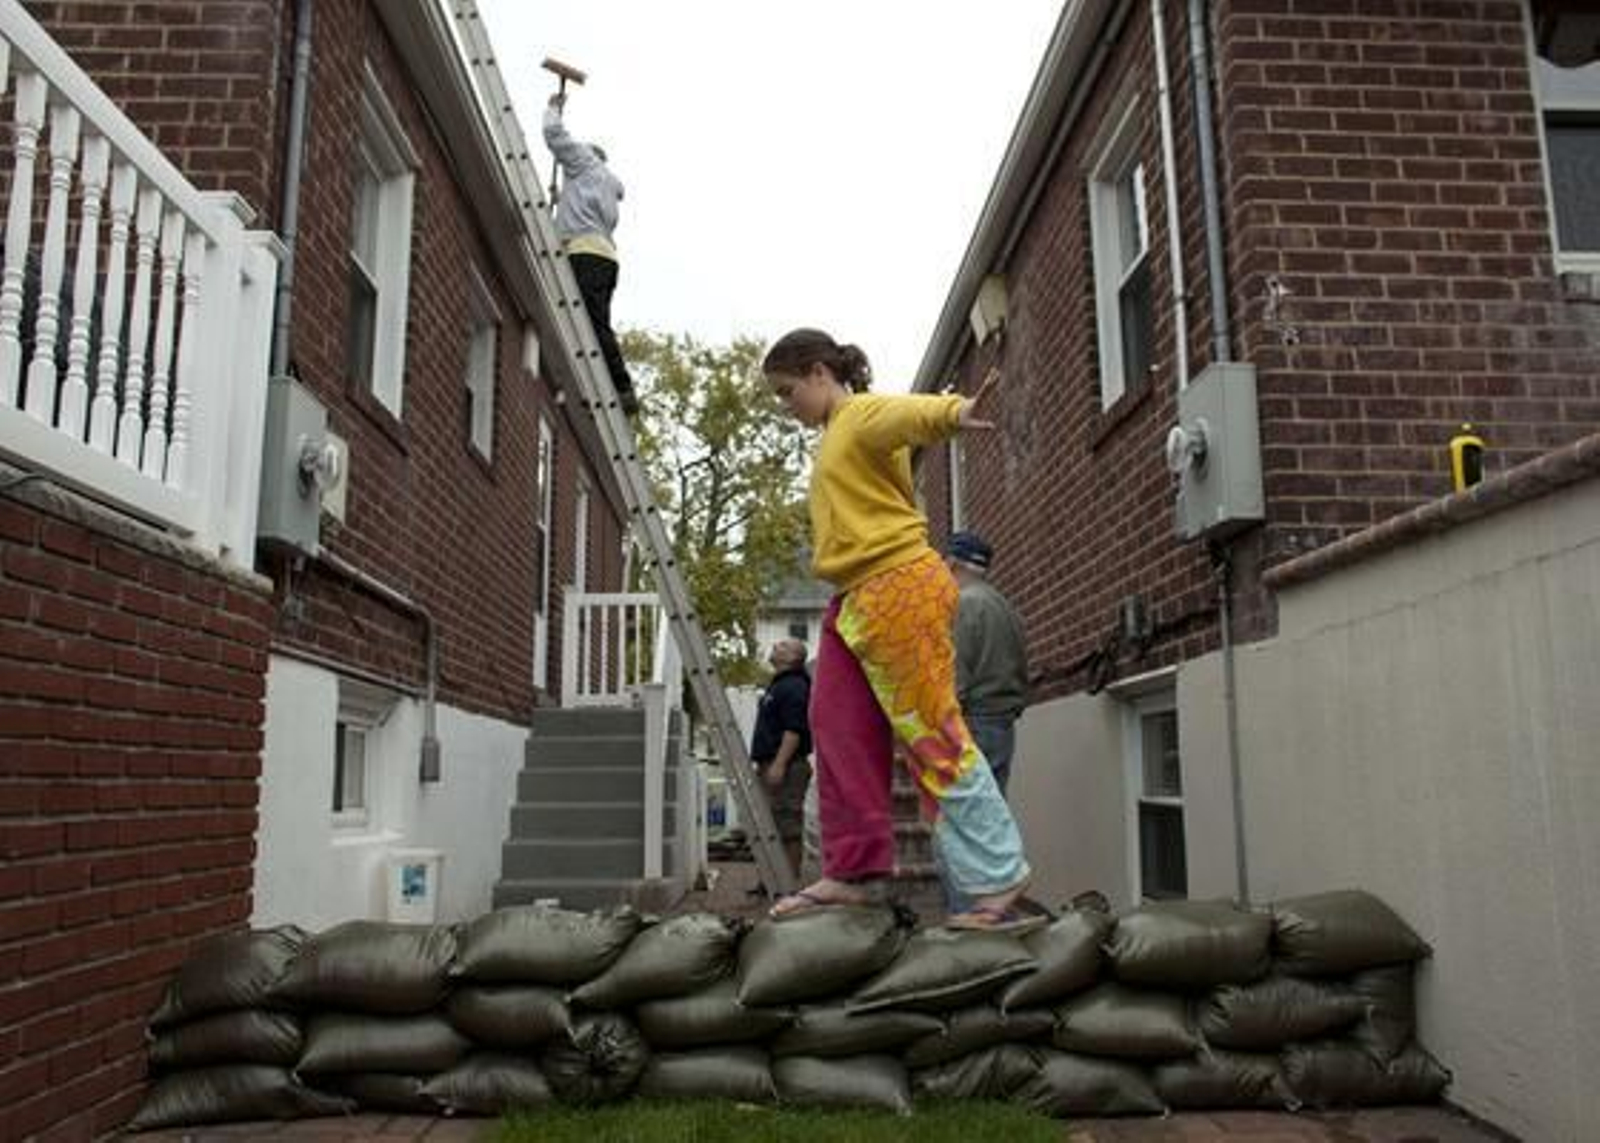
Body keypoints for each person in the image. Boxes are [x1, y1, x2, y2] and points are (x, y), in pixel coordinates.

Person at [761, 328, 1034, 930]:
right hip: (854, 597)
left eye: (787, 392)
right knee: (834, 725)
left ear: (817, 373)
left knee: (931, 735)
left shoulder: (857, 413)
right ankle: (855, 871)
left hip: (896, 586)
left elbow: (902, 416)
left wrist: (956, 412)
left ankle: (997, 880)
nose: (787, 408)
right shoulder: (837, 435)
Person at [542, 93, 638, 416]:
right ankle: (604, 387)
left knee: (593, 324)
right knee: (596, 324)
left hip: (584, 254)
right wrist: (558, 202)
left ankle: (622, 388)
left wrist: (554, 107)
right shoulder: (607, 184)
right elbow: (577, 213)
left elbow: (554, 136)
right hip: (605, 257)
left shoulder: (583, 162)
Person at [944, 531, 1029, 798]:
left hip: (976, 722)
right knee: (994, 810)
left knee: (971, 814)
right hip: (1003, 723)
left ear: (953, 564)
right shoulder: (1004, 606)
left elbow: (958, 676)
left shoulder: (965, 604)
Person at [748, 638, 813, 879]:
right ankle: (774, 881)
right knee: (771, 824)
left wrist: (779, 764)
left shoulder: (795, 686)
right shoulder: (779, 685)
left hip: (787, 765)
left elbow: (794, 729)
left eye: (783, 646)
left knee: (787, 826)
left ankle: (790, 883)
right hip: (774, 763)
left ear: (794, 658)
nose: (775, 646)